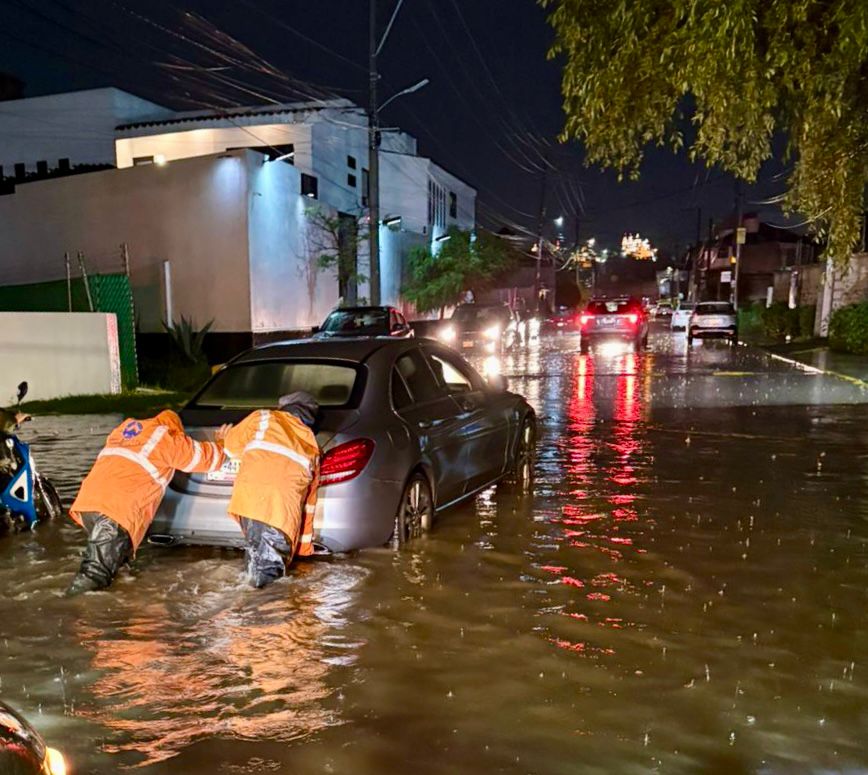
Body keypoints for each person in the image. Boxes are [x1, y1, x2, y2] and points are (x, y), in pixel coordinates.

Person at [67, 410, 228, 595]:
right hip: (116, 511)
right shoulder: (166, 438)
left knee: (119, 567)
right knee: (93, 576)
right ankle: (70, 613)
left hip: (89, 505)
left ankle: (115, 611)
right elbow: (207, 460)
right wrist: (222, 442)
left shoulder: (125, 431)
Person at [223, 392, 320, 588]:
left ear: (284, 408)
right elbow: (309, 504)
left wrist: (224, 435)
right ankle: (259, 614)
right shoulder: (312, 446)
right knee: (268, 582)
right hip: (279, 514)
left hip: (248, 504)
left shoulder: (263, 418)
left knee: (257, 568)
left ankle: (245, 611)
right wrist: (303, 548)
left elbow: (231, 447)